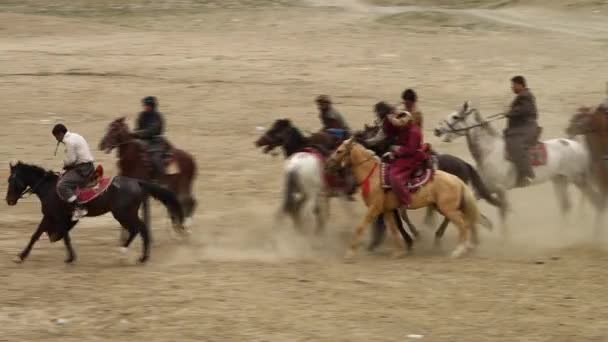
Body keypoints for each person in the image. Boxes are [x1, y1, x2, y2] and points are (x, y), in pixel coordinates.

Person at [365, 102, 427, 206]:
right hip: (401, 154)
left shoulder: (414, 132)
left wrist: (396, 149)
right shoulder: (405, 129)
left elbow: (410, 149)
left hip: (411, 158)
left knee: (394, 177)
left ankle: (406, 201)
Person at [53, 124, 95, 221]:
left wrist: (64, 166)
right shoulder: (76, 136)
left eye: (56, 137)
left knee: (62, 185)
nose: (57, 140)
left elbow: (71, 160)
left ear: (60, 134)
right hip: (87, 166)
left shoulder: (68, 141)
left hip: (83, 169)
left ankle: (80, 208)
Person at [504, 76, 539, 187]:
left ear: (520, 85)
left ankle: (528, 175)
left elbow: (524, 110)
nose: (512, 87)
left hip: (528, 127)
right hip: (521, 128)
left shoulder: (525, 96)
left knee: (517, 145)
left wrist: (510, 113)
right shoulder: (522, 96)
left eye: (513, 85)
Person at [132, 96, 167, 180]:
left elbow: (152, 131)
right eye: (144, 105)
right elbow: (137, 128)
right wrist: (135, 134)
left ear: (152, 106)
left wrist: (138, 133)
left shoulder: (158, 117)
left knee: (156, 159)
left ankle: (161, 178)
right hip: (142, 141)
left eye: (147, 105)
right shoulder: (141, 115)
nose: (145, 107)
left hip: (155, 143)